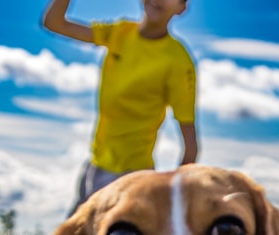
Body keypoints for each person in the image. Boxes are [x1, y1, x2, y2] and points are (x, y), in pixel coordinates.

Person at [42, 0, 198, 212]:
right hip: (94, 166)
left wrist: (173, 199)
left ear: (181, 8)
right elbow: (54, 23)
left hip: (131, 178)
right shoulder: (120, 33)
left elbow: (190, 146)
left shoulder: (179, 62)